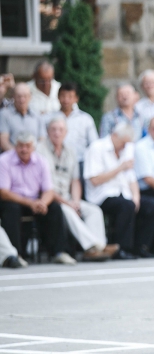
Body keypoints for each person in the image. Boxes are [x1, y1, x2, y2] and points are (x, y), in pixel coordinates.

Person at [37, 117, 118, 262]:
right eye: (53, 130)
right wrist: (69, 204)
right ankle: (93, 246)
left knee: (94, 210)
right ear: (48, 132)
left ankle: (98, 248)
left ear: (66, 132)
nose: (57, 133)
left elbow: (75, 181)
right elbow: (44, 186)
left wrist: (75, 201)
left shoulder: (71, 151)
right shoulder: (40, 150)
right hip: (50, 198)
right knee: (67, 211)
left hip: (68, 197)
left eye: (61, 130)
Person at [84, 123, 154, 259]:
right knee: (126, 206)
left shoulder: (127, 148)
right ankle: (121, 249)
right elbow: (94, 180)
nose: (124, 147)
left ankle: (141, 246)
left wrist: (136, 197)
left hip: (124, 193)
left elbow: (132, 178)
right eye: (123, 143)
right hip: (101, 195)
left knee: (151, 206)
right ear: (115, 136)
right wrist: (120, 168)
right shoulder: (97, 148)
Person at [0, 132, 75, 265]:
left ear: (33, 147)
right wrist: (30, 203)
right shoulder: (4, 160)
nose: (24, 149)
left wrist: (42, 203)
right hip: (14, 200)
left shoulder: (41, 161)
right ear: (15, 147)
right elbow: (3, 192)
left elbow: (49, 190)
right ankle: (16, 254)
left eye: (27, 146)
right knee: (11, 209)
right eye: (21, 146)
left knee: (55, 208)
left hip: (36, 201)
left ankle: (59, 252)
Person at [54, 82, 98, 174]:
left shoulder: (86, 119)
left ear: (76, 99)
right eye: (63, 96)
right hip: (56, 162)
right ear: (58, 97)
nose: (66, 100)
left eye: (70, 97)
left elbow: (94, 144)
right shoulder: (50, 118)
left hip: (80, 162)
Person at [0, 83, 45, 152]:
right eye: (19, 96)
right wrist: (20, 156)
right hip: (11, 158)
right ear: (13, 97)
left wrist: (30, 156)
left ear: (30, 97)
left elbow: (42, 140)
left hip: (34, 157)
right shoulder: (4, 114)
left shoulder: (37, 115)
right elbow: (3, 142)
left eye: (25, 96)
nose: (22, 100)